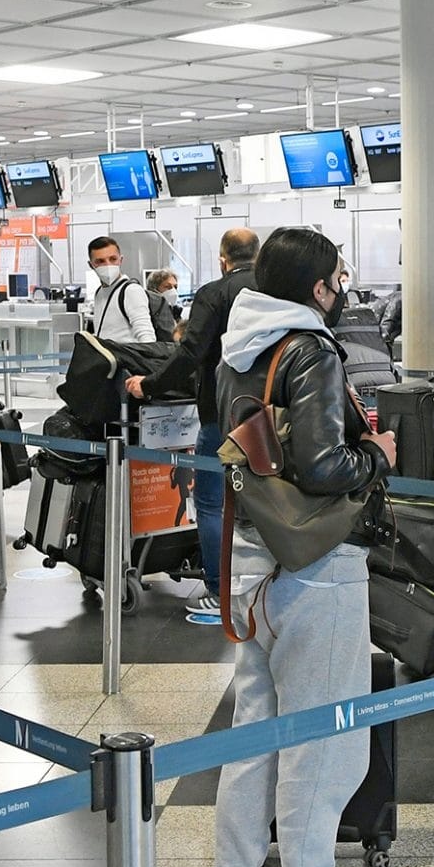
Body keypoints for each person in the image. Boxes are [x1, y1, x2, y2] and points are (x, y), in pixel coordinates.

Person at [204, 227, 401, 867]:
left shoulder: (241, 343)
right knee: (323, 743)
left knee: (254, 736)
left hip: (255, 558)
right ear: (319, 287)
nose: (342, 287)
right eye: (338, 276)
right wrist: (373, 455)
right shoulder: (310, 347)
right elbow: (322, 465)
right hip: (314, 563)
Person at [128, 228, 258, 618]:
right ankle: (261, 583)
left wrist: (148, 385)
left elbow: (190, 351)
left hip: (222, 413)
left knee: (211, 502)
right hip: (271, 415)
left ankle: (220, 591)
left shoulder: (215, 293)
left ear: (223, 258)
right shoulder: (276, 290)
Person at [86, 236, 155, 344]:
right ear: (91, 265)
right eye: (100, 261)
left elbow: (147, 338)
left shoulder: (131, 291)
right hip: (108, 358)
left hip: (127, 359)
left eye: (113, 259)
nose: (108, 265)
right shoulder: (99, 292)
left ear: (120, 260)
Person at [147, 269, 181, 340]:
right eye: (167, 287)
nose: (173, 291)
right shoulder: (148, 313)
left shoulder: (175, 312)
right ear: (154, 289)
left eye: (175, 287)